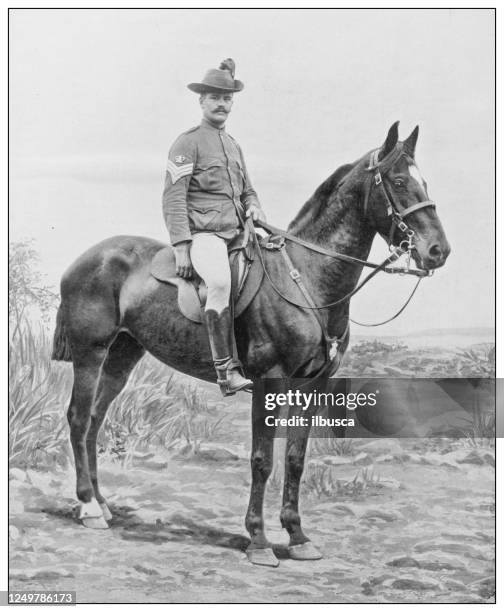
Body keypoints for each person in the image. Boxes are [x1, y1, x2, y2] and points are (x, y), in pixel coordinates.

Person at [162, 58, 266, 396]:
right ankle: (226, 370)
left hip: (239, 233)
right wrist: (181, 245)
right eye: (214, 98)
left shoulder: (234, 145)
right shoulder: (186, 143)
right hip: (206, 235)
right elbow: (173, 198)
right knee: (219, 282)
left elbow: (247, 189)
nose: (221, 104)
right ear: (201, 101)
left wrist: (253, 205)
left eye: (227, 99)